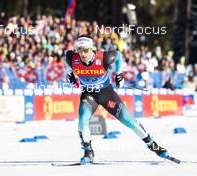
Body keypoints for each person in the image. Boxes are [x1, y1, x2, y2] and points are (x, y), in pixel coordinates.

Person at [65, 34, 168, 164]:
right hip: (89, 94)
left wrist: (119, 75)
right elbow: (67, 59)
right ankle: (88, 152)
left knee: (129, 121)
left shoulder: (103, 57)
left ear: (91, 48)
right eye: (80, 50)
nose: (83, 53)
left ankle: (152, 144)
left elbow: (118, 55)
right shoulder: (72, 58)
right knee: (83, 119)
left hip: (106, 93)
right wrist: (70, 74)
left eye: (85, 50)